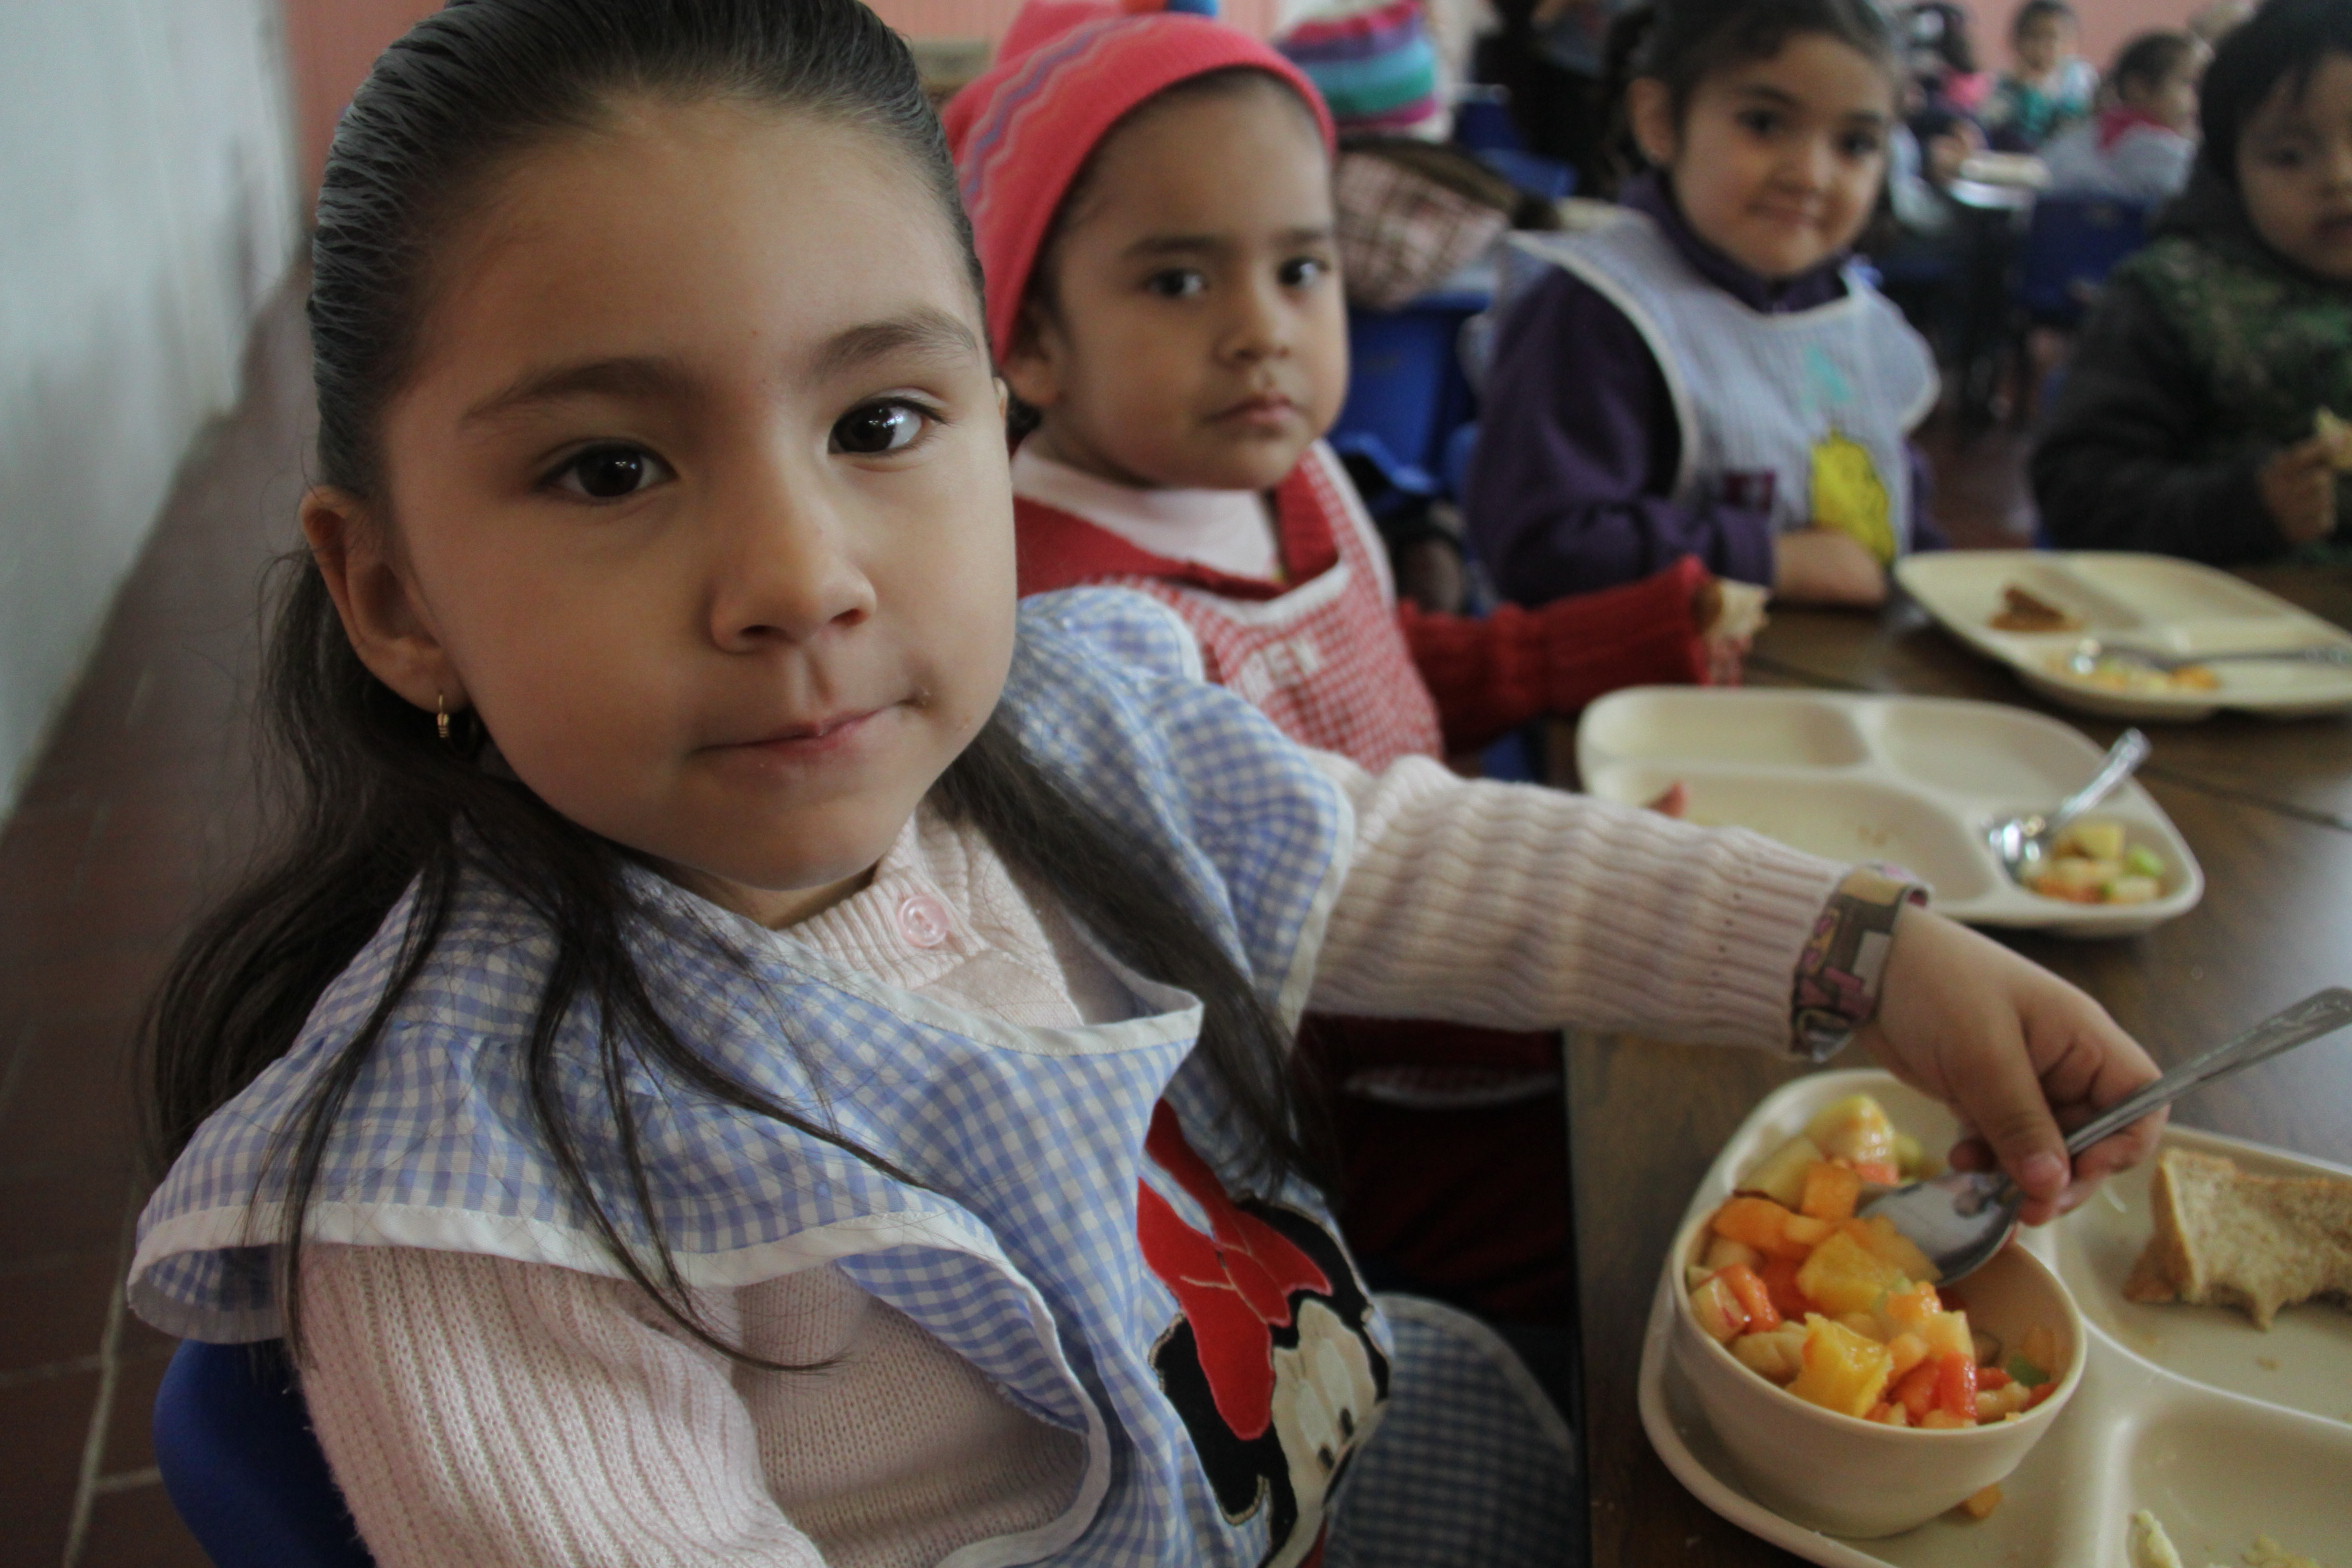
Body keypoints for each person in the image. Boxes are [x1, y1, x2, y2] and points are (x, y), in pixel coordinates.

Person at [130, 2, 2168, 1564]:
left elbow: (1392, 856)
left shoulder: (1062, 731)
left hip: (1331, 1432)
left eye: (882, 414)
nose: (800, 578)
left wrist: (1865, 957)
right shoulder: (487, 1197)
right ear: (393, 593)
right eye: (609, 467)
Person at [945, 0, 1747, 1338]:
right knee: (1659, 1235)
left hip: (1467, 983)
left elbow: (1386, 676)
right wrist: (1594, 930)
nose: (1262, 330)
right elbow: (1283, 956)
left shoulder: (1288, 473)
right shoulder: (1073, 624)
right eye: (1179, 281)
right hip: (1339, 1132)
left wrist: (1599, 650)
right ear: (1027, 338)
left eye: (1301, 270)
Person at [1466, 0, 1943, 613]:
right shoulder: (1597, 309)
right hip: (1627, 694)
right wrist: (1775, 561)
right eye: (1766, 124)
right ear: (1661, 121)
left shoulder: (1862, 328)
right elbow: (1542, 549)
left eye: (1854, 143)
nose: (1812, 175)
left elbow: (1901, 517)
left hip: (1823, 683)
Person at [2035, 0, 2352, 565]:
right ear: (2229, 171)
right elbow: (2077, 493)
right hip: (2212, 629)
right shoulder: (2170, 299)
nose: (2339, 177)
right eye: (2288, 155)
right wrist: (2248, 508)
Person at [2042, 30, 2209, 203]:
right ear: (2139, 88)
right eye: (2191, 84)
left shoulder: (2074, 139)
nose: (2203, 97)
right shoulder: (2168, 154)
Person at [1982, 0, 2100, 152]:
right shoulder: (2004, 86)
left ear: (2070, 44)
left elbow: (2077, 128)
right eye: (2032, 37)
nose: (2040, 48)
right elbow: (1990, 126)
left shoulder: (2080, 81)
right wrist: (2027, 92)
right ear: (2015, 41)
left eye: (2051, 38)